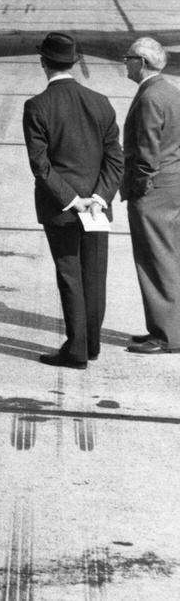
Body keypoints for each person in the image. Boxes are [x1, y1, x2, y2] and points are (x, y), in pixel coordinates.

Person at [22, 32, 123, 368]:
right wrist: (98, 197)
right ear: (77, 62)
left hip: (61, 209)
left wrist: (71, 200)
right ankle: (92, 344)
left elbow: (41, 165)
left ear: (43, 63)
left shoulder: (37, 106)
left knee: (70, 276)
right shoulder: (101, 102)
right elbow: (115, 159)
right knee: (94, 276)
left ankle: (76, 351)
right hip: (97, 207)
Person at [120, 36, 180, 354]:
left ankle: (166, 336)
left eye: (127, 58)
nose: (124, 63)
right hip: (173, 185)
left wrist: (139, 188)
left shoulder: (149, 98)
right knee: (169, 257)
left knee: (154, 259)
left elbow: (146, 152)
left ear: (141, 63)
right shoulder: (170, 91)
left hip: (153, 190)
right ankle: (167, 327)